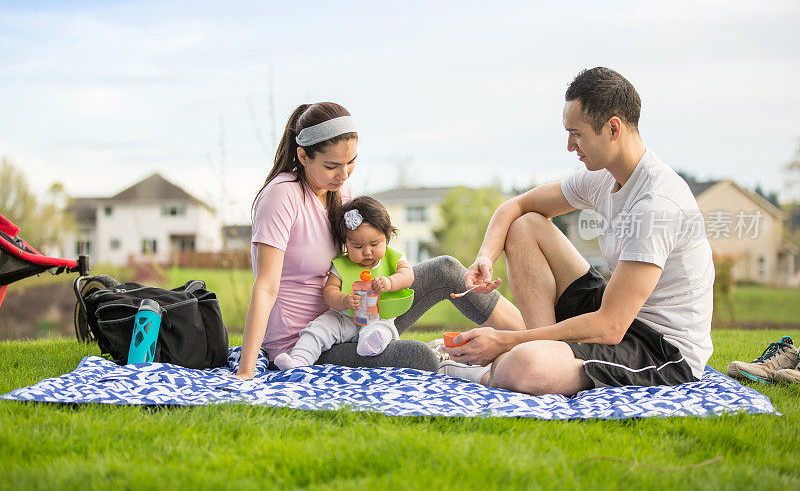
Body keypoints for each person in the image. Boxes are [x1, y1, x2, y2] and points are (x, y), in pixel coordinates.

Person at [439, 67, 714, 396]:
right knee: (526, 225)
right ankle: (535, 347)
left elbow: (611, 327)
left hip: (659, 349)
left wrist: (507, 340)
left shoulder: (656, 204)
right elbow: (515, 207)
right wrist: (485, 258)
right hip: (615, 314)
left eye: (577, 133)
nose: (570, 145)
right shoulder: (603, 178)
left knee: (524, 367)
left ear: (613, 128)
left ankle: (503, 362)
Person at [232, 102, 525, 380]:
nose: (343, 174)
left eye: (351, 162)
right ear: (304, 156)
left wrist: (396, 272)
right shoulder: (282, 195)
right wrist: (247, 369)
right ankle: (468, 368)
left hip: (358, 315)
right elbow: (266, 286)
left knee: (445, 269)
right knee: (416, 356)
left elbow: (366, 254)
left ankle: (536, 338)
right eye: (332, 165)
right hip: (305, 345)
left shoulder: (341, 192)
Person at [274, 196, 413, 369]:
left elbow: (408, 276)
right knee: (318, 328)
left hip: (378, 316)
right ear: (346, 243)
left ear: (386, 237)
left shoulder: (394, 258)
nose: (367, 252)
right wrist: (344, 300)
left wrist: (390, 282)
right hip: (343, 318)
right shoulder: (341, 265)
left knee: (383, 329)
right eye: (357, 246)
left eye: (374, 244)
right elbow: (329, 291)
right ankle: (299, 360)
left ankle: (369, 345)